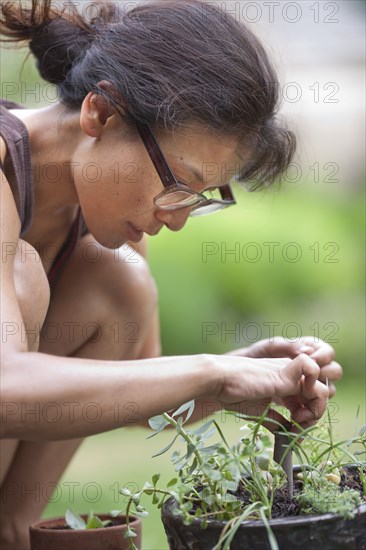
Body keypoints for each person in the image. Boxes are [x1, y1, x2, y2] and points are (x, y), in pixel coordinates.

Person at [0, 0, 342, 548]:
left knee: (121, 278)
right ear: (102, 113)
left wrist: (239, 379)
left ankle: (12, 529)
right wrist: (209, 371)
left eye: (201, 198)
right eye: (178, 183)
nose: (178, 219)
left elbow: (137, 396)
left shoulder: (104, 220)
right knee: (23, 275)